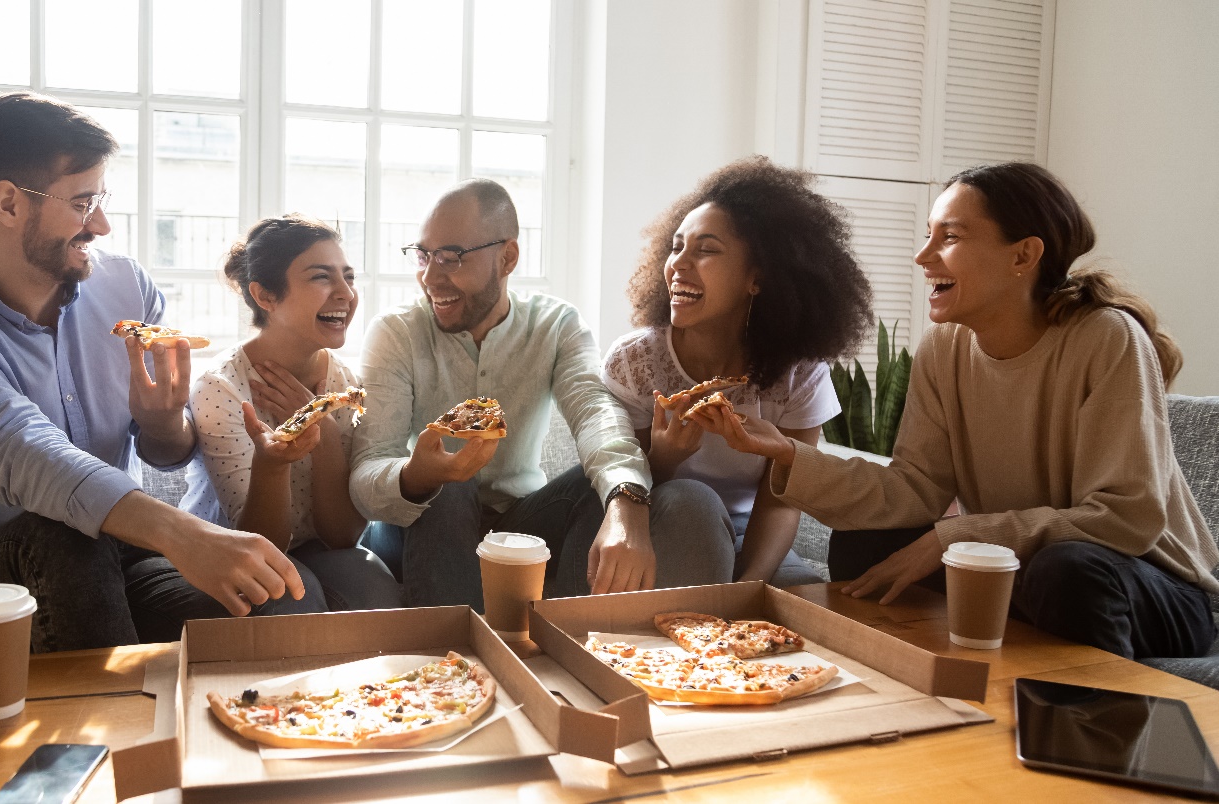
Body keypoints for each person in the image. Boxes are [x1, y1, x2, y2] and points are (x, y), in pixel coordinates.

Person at [694, 161, 1218, 660]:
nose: (923, 257)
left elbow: (1127, 518)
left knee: (1068, 570)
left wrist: (957, 535)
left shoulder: (1106, 337)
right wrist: (785, 451)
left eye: (949, 237)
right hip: (1024, 567)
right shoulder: (943, 348)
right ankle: (908, 693)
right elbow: (913, 490)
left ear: (1023, 256)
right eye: (928, 235)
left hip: (1153, 585)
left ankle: (1090, 730)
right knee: (868, 544)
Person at [0, 92, 322, 653]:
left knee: (280, 596)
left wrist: (166, 425)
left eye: (101, 198)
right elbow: (24, 454)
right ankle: (108, 741)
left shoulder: (125, 287)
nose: (103, 225)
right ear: (8, 203)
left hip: (122, 548)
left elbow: (167, 453)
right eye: (82, 201)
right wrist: (183, 533)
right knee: (64, 538)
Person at [350, 178, 735, 611]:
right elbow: (365, 476)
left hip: (519, 521)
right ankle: (456, 659)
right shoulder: (394, 332)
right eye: (422, 256)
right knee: (450, 487)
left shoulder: (556, 324)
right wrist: (416, 475)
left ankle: (569, 641)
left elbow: (596, 414)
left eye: (451, 258)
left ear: (508, 256)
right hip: (414, 525)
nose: (430, 276)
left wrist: (626, 499)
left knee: (611, 481)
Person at [603, 157, 873, 587]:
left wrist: (748, 587)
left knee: (811, 618)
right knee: (694, 503)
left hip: (750, 536)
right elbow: (624, 487)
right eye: (676, 247)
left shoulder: (798, 374)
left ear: (758, 279)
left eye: (706, 250)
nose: (678, 264)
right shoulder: (635, 361)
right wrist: (666, 457)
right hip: (660, 525)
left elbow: (781, 503)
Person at [180, 215, 402, 610]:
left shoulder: (345, 383)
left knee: (375, 589)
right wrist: (275, 461)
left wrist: (326, 437)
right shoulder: (222, 388)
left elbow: (342, 538)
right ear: (266, 296)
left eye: (348, 277)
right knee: (293, 597)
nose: (346, 294)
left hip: (319, 549)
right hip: (231, 552)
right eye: (321, 277)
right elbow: (257, 541)